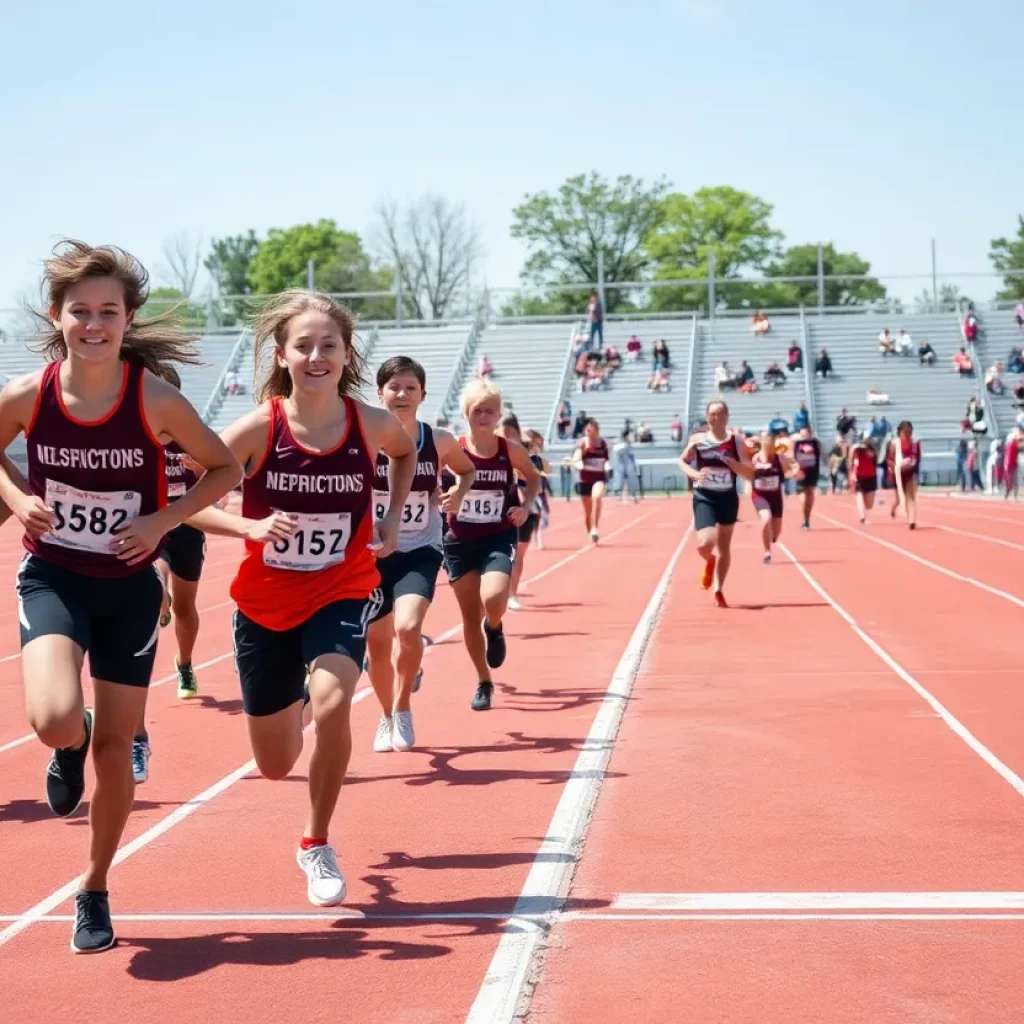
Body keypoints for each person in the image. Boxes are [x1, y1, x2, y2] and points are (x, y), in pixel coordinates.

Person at [0, 240, 239, 953]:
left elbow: (223, 467)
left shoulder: (154, 400)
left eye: (109, 311)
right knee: (52, 718)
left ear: (128, 319)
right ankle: (66, 746)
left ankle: (95, 887)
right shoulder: (26, 394)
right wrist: (18, 496)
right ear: (57, 315)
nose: (94, 324)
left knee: (116, 748)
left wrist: (161, 520)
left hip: (129, 587)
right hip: (54, 575)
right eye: (81, 311)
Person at [187, 291, 416, 909]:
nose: (317, 356)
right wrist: (248, 528)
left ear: (346, 354)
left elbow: (405, 452)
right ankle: (296, 708)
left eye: (329, 346)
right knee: (274, 762)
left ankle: (316, 841)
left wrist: (391, 518)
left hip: (342, 587)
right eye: (304, 346)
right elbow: (187, 499)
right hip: (263, 604)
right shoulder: (260, 428)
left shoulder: (369, 422)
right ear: (283, 356)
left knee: (337, 698)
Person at [366, 356, 476, 753]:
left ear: (423, 395)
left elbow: (468, 471)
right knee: (376, 645)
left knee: (408, 628)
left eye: (410, 388)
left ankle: (403, 704)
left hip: (420, 547)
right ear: (379, 394)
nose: (402, 394)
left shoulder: (439, 440)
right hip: (371, 554)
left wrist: (457, 493)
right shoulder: (362, 438)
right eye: (394, 387)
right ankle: (384, 716)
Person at [132, 365, 209, 785]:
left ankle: (184, 664)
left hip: (189, 525)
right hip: (150, 526)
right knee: (157, 573)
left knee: (187, 605)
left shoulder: (189, 431)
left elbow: (223, 477)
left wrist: (197, 468)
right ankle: (156, 590)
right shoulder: (133, 432)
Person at [443, 378, 540, 711]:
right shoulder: (451, 450)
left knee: (494, 599)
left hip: (497, 535)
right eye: (476, 411)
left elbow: (533, 477)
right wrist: (445, 500)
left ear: (499, 416)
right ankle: (484, 681)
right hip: (458, 541)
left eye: (490, 412)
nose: (483, 417)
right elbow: (427, 488)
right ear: (466, 413)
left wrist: (525, 507)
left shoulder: (509, 450)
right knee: (469, 617)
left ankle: (495, 626)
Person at [678, 400, 752, 607]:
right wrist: (694, 474)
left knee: (725, 547)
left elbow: (750, 473)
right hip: (705, 497)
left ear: (727, 416)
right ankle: (709, 559)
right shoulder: (698, 440)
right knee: (705, 543)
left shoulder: (736, 441)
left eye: (720, 413)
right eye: (712, 413)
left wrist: (734, 464)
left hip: (727, 497)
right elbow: (682, 461)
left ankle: (719, 588)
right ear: (707, 416)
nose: (716, 417)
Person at [498, 415, 547, 611]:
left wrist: (524, 497)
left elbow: (539, 487)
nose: (507, 439)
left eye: (512, 435)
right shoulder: (492, 454)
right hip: (499, 511)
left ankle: (512, 594)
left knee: (517, 555)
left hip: (525, 511)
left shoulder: (531, 458)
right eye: (503, 435)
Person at [571, 418, 609, 543]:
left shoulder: (603, 443)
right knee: (588, 512)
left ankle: (594, 528)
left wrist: (608, 467)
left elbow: (606, 460)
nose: (589, 433)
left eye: (591, 430)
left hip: (599, 478)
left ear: (596, 431)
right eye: (587, 430)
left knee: (596, 498)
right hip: (585, 479)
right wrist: (578, 464)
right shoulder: (582, 443)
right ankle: (591, 532)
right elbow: (576, 458)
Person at [791, 424, 822, 529]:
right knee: (803, 495)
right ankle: (805, 518)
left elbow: (819, 455)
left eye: (807, 434)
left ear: (810, 433)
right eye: (803, 434)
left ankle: (806, 519)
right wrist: (794, 468)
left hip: (812, 471)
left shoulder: (815, 442)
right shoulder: (796, 442)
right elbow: (791, 455)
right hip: (800, 470)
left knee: (810, 495)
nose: (805, 436)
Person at [892, 420, 920, 530]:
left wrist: (915, 469)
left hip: (911, 472)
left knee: (910, 496)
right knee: (900, 498)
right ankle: (894, 507)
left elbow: (919, 459)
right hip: (898, 473)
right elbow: (889, 459)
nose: (908, 434)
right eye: (906, 432)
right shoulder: (895, 443)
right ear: (900, 432)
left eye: (910, 432)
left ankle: (911, 520)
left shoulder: (916, 443)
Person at [848, 431, 879, 523]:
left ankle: (864, 511)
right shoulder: (856, 449)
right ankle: (862, 516)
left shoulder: (873, 450)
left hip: (871, 476)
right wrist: (851, 474)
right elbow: (850, 460)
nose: (869, 440)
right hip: (859, 476)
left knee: (869, 504)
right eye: (867, 438)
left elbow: (875, 463)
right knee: (860, 494)